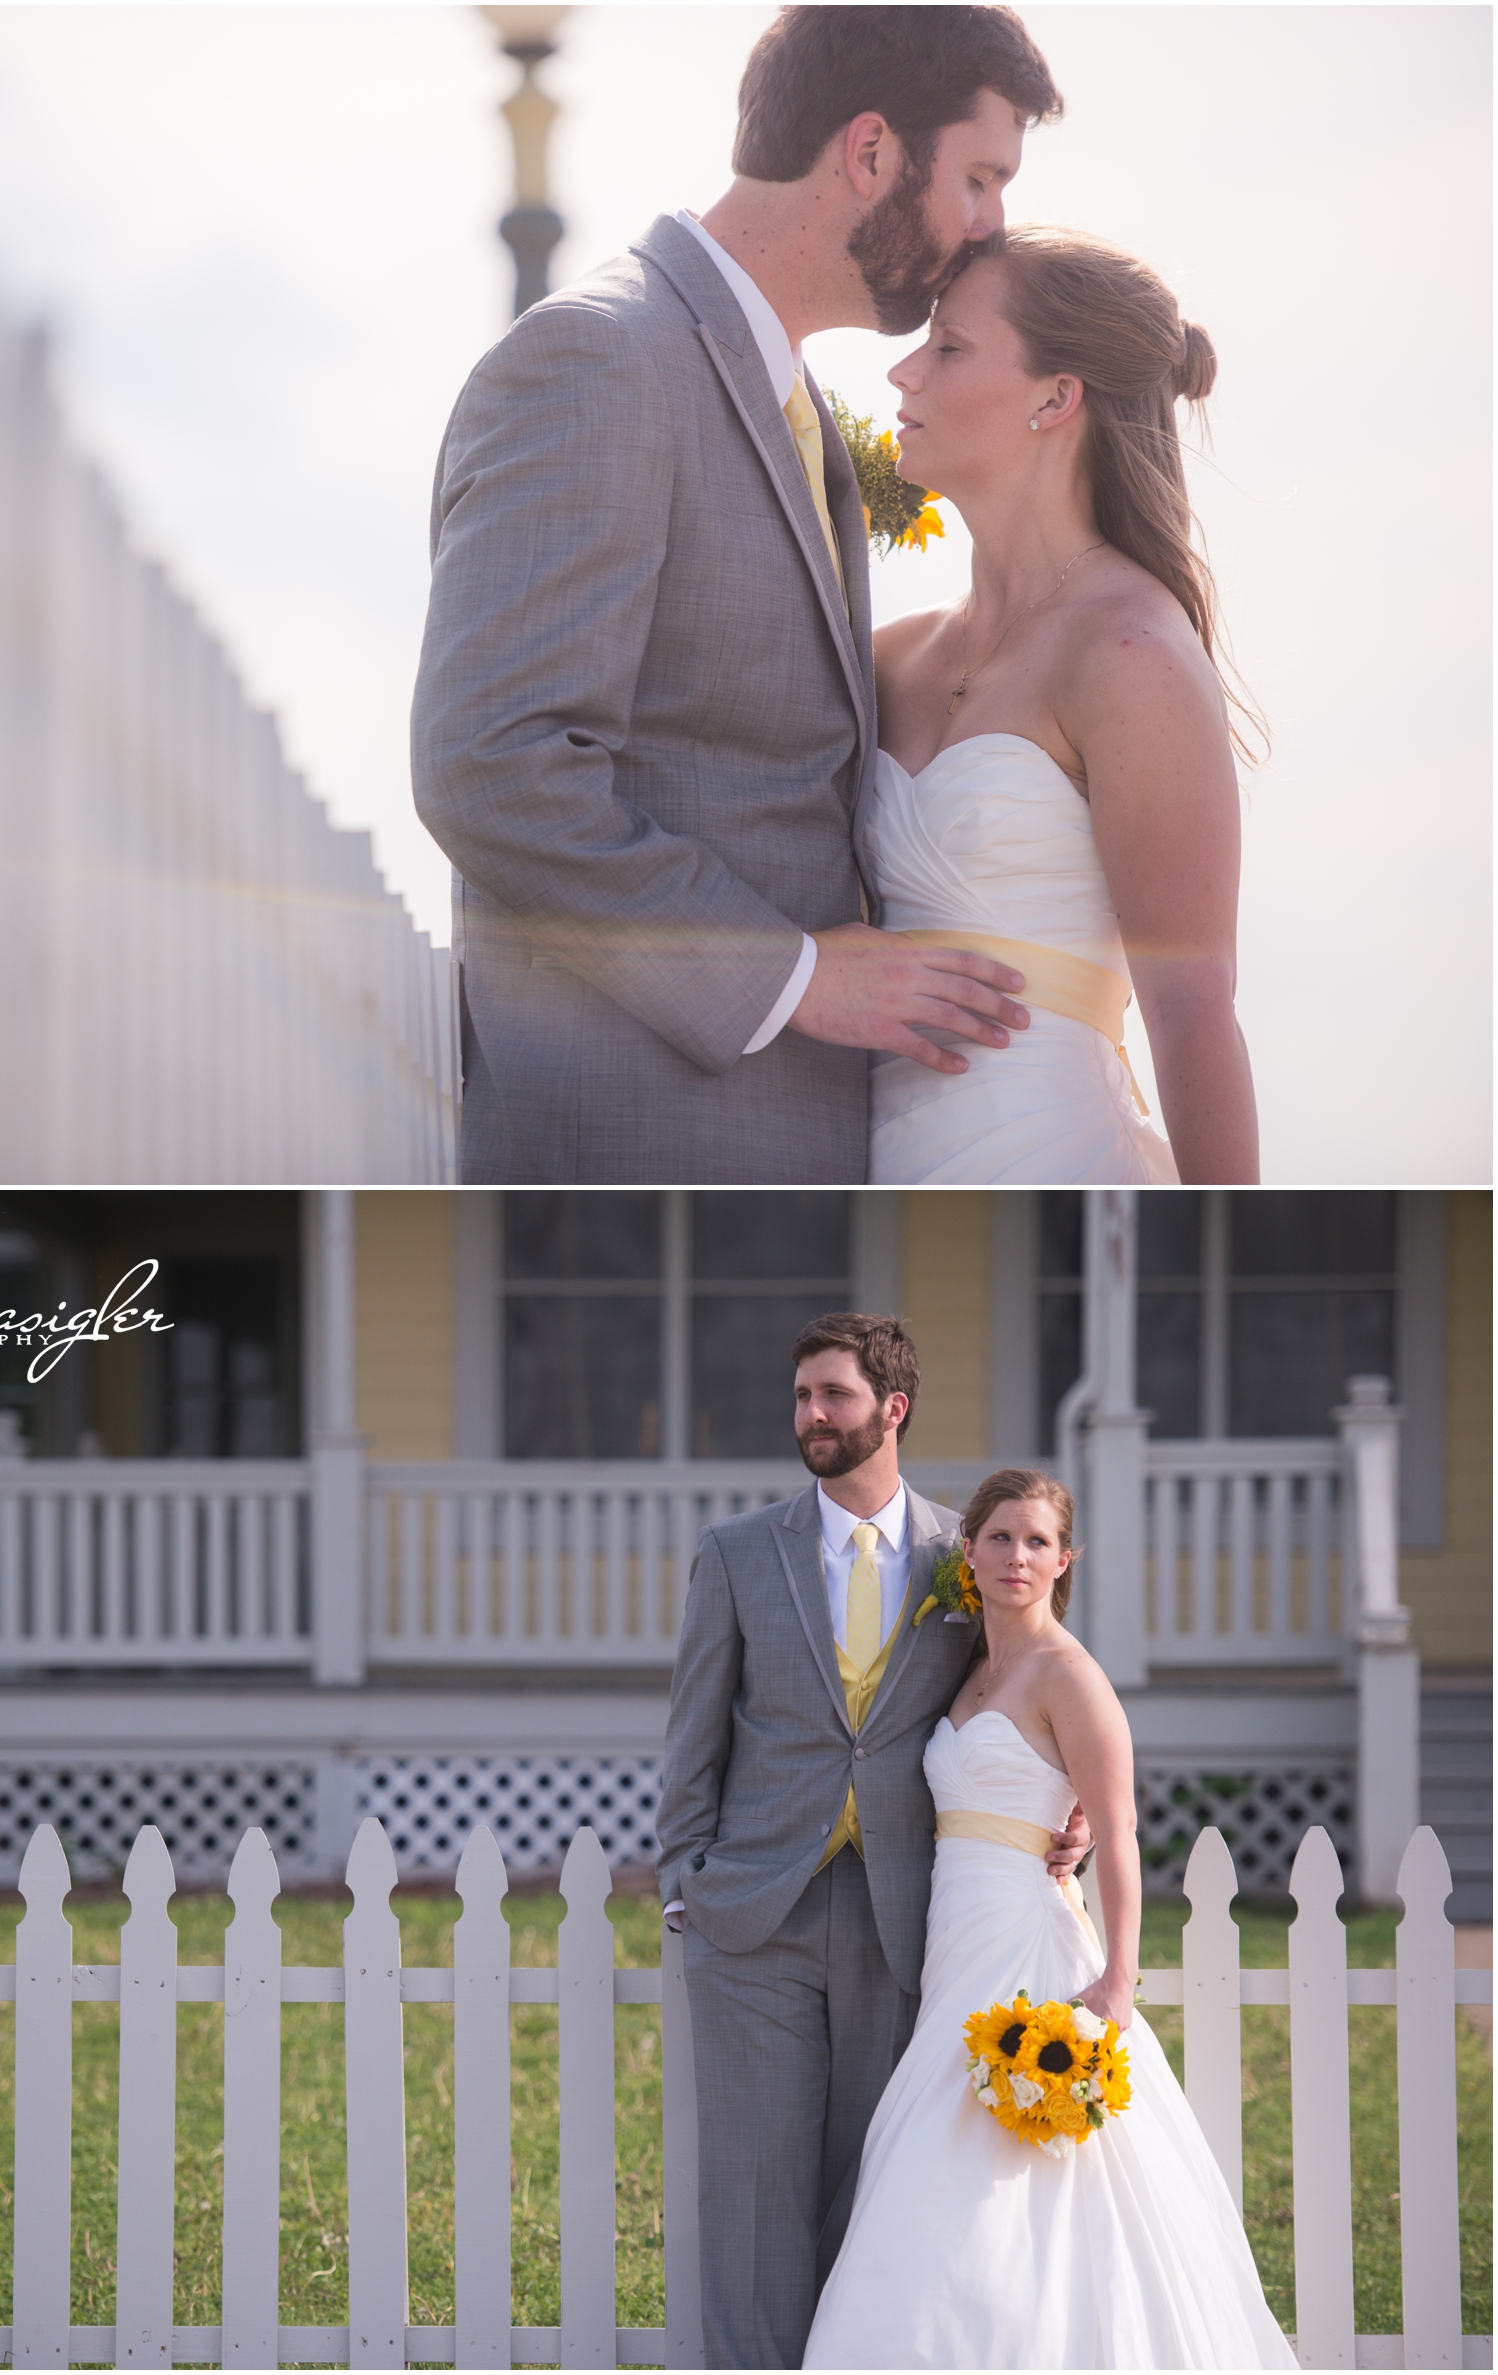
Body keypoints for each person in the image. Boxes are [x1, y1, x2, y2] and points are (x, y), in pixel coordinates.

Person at [411, 7, 1061, 1183]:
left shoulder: (782, 394)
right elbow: (492, 763)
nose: (990, 226)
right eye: (976, 177)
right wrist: (795, 974)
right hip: (647, 1146)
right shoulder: (600, 359)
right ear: (868, 153)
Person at [656, 1316, 1091, 2368]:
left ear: (891, 1408)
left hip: (907, 1916)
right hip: (753, 1912)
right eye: (802, 1393)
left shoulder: (968, 1553)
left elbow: (1038, 1687)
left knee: (878, 2191)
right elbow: (691, 1730)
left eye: (834, 1395)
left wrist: (1066, 1807)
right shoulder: (735, 1552)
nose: (811, 1413)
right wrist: (687, 1885)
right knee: (750, 2195)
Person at [804, 1470, 1296, 2370]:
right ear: (971, 1552)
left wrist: (1117, 1976)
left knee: (1016, 2156)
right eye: (999, 1537)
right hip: (956, 1937)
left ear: (1064, 1559)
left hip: (1031, 1939)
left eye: (1037, 1541)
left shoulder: (1071, 1674)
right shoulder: (966, 1667)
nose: (1017, 1557)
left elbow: (1119, 1830)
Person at [863, 228, 1263, 1184]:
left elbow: (1194, 1016)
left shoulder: (1133, 653)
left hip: (1045, 1151)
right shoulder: (887, 658)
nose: (902, 371)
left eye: (949, 346)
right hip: (860, 1156)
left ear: (1056, 396)